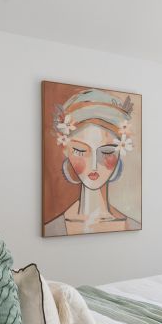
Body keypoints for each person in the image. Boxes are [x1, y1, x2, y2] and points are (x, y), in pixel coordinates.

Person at [44, 89, 140, 236]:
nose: (94, 165)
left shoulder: (134, 226)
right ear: (66, 150)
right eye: (80, 151)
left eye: (107, 152)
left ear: (120, 150)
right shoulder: (51, 229)